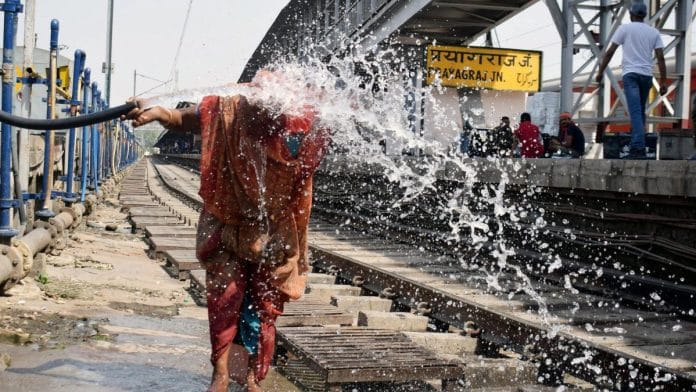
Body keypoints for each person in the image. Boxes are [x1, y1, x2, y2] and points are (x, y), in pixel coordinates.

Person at [124, 74, 330, 392]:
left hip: (275, 228)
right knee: (226, 296)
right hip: (225, 221)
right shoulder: (228, 110)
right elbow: (182, 117)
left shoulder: (301, 122)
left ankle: (249, 377)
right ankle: (220, 374)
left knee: (264, 306)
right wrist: (157, 112)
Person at [595, 1, 667, 159]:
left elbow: (609, 52)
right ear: (644, 15)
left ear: (631, 14)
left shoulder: (624, 29)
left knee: (635, 112)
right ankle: (638, 144)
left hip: (631, 75)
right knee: (640, 112)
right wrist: (663, 81)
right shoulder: (653, 32)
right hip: (647, 76)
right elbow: (661, 58)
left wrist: (600, 72)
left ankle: (638, 148)